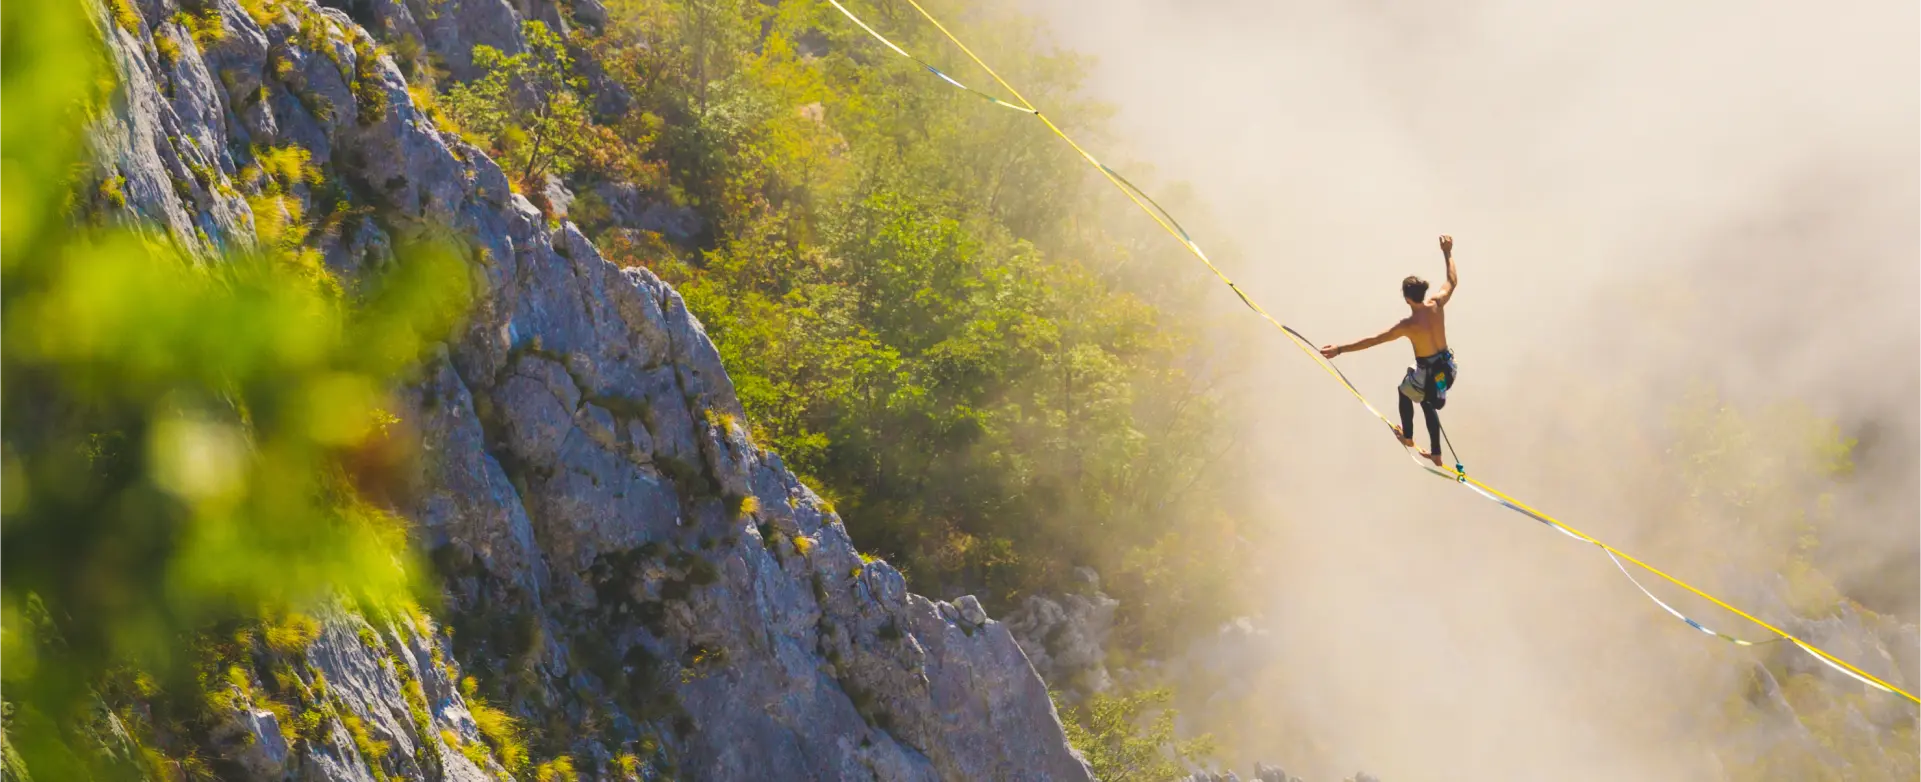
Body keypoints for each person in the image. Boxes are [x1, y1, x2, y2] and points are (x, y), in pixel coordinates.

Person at [1319, 235, 1460, 467]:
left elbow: (1373, 340)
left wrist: (1340, 349)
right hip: (1447, 370)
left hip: (1428, 374)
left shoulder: (1408, 325)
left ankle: (1408, 436)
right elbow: (1452, 281)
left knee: (1405, 391)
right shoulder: (1437, 303)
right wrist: (1447, 252)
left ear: (1406, 298)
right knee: (1428, 399)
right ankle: (1436, 454)